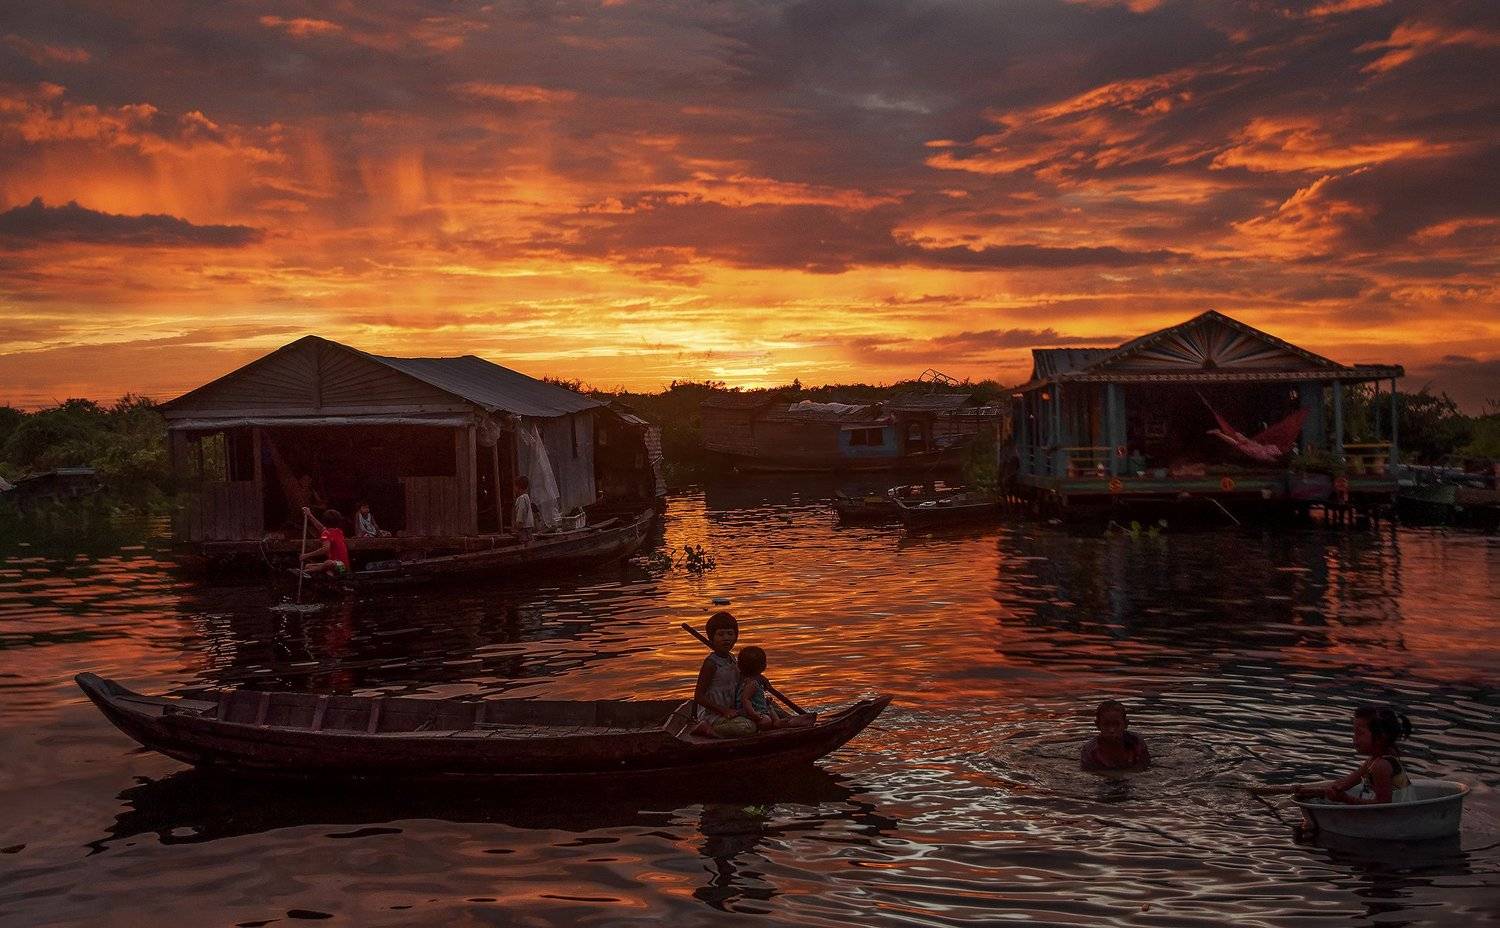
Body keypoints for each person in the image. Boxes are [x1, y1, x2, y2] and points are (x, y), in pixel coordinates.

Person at [1294, 705, 1415, 805]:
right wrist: (1311, 792)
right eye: (1354, 733)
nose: (1354, 738)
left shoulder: (1382, 765)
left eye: (1360, 733)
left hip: (1395, 818)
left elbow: (1383, 805)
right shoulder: (1372, 762)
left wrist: (1346, 799)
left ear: (1380, 737)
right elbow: (1343, 784)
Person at [692, 611, 756, 738]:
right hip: (714, 715)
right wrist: (724, 711)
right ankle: (704, 728)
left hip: (732, 711)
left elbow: (743, 678)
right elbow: (698, 697)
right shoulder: (711, 664)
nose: (726, 638)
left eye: (730, 634)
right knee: (748, 727)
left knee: (763, 715)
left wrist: (757, 678)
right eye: (720, 634)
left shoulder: (731, 659)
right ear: (712, 638)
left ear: (736, 637)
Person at [737, 646, 816, 731]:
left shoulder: (746, 679)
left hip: (757, 708)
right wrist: (753, 714)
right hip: (752, 711)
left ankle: (779, 721)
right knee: (766, 719)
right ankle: (779, 723)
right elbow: (745, 700)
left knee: (769, 705)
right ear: (763, 666)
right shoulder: (752, 683)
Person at [1080, 700, 1151, 771]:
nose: (1112, 730)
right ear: (1097, 725)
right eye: (1106, 724)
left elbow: (1145, 766)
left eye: (1117, 724)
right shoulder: (1090, 752)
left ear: (1125, 724)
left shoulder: (1136, 742)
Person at [299, 507, 351, 579]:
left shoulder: (337, 532)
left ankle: (305, 572)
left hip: (341, 567)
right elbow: (320, 527)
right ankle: (308, 570)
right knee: (308, 565)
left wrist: (307, 555)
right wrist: (310, 515)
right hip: (335, 565)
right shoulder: (337, 531)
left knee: (328, 563)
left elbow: (325, 549)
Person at [512, 476, 536, 544]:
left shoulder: (522, 498)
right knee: (528, 540)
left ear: (518, 487)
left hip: (524, 526)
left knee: (525, 542)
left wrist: (518, 524)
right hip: (527, 525)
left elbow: (521, 512)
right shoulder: (526, 497)